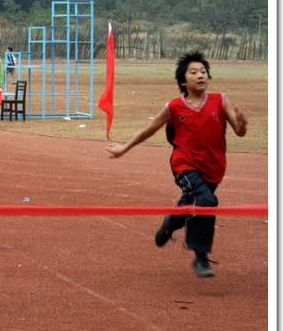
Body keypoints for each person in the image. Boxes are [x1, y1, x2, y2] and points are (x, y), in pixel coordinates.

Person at [106, 51, 248, 278]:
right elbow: (148, 130)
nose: (200, 75)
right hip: (184, 164)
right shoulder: (174, 107)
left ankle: (170, 223)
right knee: (206, 201)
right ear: (183, 81)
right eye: (194, 72)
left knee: (194, 202)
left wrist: (242, 125)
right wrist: (124, 148)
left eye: (203, 71)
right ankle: (200, 256)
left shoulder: (220, 100)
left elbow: (239, 132)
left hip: (214, 167)